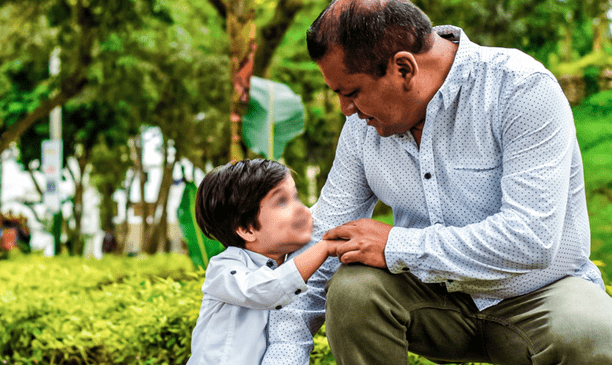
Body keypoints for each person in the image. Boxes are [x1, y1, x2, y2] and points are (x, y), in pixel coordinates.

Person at [261, 1, 612, 364]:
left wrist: (397, 245)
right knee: (353, 291)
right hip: (432, 302)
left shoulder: (520, 89)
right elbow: (322, 237)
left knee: (592, 332)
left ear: (403, 68)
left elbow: (531, 239)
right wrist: (285, 352)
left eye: (351, 92)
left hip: (541, 295)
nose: (344, 109)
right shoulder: (362, 128)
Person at [186, 159, 337, 365]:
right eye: (281, 201)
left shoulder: (288, 263)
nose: (301, 209)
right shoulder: (224, 269)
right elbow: (267, 289)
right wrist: (325, 247)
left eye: (296, 197)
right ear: (247, 229)